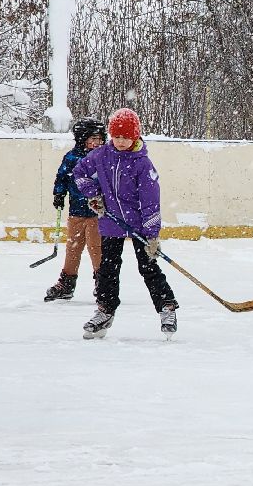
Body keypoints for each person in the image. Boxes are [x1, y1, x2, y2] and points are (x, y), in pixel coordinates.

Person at [73, 107, 178, 339]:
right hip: (112, 222)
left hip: (140, 224)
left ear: (135, 136)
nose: (120, 141)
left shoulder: (143, 164)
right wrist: (94, 195)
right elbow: (79, 172)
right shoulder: (101, 155)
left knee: (148, 267)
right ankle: (105, 310)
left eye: (126, 137)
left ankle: (166, 307)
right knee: (108, 269)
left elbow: (151, 202)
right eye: (116, 136)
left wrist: (152, 234)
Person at [44, 117, 106, 301]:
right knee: (73, 248)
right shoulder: (72, 157)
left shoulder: (104, 157)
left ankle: (103, 284)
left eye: (100, 139)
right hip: (76, 212)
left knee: (97, 248)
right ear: (82, 138)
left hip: (98, 213)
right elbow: (62, 176)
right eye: (92, 139)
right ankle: (66, 284)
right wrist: (59, 193)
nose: (96, 143)